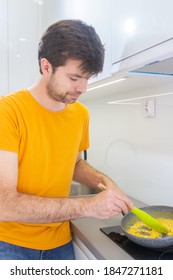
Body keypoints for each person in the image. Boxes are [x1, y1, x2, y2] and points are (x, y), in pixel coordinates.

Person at [0, 19, 133, 260]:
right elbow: (3, 204)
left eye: (87, 78)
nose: (83, 88)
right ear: (46, 66)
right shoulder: (8, 112)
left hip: (61, 242)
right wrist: (88, 206)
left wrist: (105, 182)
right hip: (10, 244)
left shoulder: (80, 113)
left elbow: (75, 164)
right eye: (74, 78)